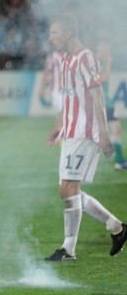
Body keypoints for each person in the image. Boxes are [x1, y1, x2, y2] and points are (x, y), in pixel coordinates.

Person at [45, 13, 127, 261]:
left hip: (85, 132)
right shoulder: (66, 60)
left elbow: (97, 96)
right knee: (68, 189)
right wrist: (58, 124)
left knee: (68, 188)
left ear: (68, 33)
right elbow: (69, 97)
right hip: (70, 132)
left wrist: (103, 132)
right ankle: (117, 227)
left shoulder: (86, 57)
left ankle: (69, 249)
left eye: (55, 33)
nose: (51, 38)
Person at [96, 41, 127, 170]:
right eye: (106, 49)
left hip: (107, 103)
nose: (108, 52)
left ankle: (119, 160)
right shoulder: (95, 64)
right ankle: (119, 161)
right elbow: (103, 78)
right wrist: (108, 62)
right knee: (110, 131)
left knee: (115, 129)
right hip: (101, 104)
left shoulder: (99, 63)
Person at [39, 50, 65, 115]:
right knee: (61, 112)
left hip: (68, 90)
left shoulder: (69, 54)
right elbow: (46, 73)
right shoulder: (53, 56)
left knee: (66, 114)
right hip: (56, 90)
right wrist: (42, 89)